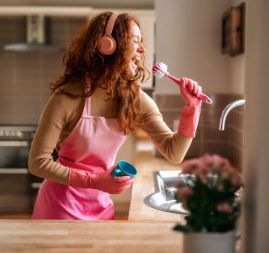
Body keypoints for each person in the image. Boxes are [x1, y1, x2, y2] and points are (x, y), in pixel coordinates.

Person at [28, 12, 202, 220]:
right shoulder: (69, 96)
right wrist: (95, 181)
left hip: (101, 206)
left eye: (142, 42)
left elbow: (174, 153)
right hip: (60, 206)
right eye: (135, 41)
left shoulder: (134, 99)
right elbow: (38, 162)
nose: (142, 49)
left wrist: (192, 109)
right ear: (107, 44)